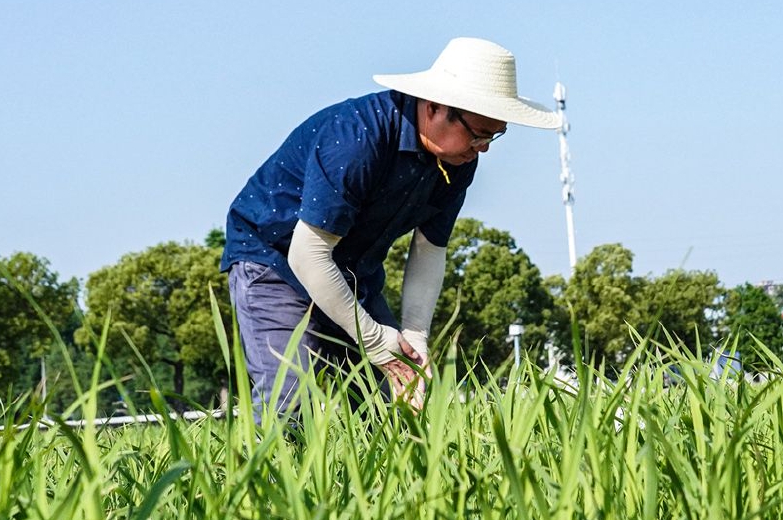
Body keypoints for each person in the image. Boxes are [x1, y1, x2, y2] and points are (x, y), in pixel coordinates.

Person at [221, 37, 556, 419]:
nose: (484, 147)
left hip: (352, 271)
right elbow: (307, 254)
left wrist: (414, 336)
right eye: (478, 133)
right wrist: (377, 342)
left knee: (393, 407)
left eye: (494, 135)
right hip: (276, 261)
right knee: (292, 405)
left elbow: (430, 249)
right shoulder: (354, 139)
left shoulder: (458, 161)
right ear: (434, 107)